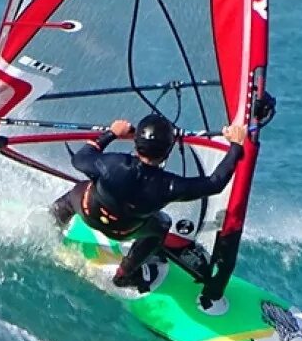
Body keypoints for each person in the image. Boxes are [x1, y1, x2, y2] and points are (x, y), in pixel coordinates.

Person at [51, 111, 247, 309]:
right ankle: (124, 275)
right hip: (123, 230)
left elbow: (80, 159)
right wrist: (236, 146)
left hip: (88, 211)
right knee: (162, 224)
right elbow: (215, 184)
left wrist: (111, 133)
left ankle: (51, 223)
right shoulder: (169, 186)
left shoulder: (112, 164)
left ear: (135, 144)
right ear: (168, 151)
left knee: (76, 193)